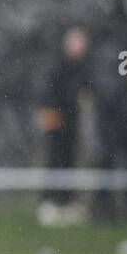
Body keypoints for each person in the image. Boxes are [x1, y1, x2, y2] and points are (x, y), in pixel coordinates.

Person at [37, 27, 91, 225]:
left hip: (71, 123)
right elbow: (48, 94)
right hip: (55, 121)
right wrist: (53, 116)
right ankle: (49, 201)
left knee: (69, 160)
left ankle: (67, 202)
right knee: (54, 159)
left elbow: (84, 93)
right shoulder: (57, 66)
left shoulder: (84, 68)